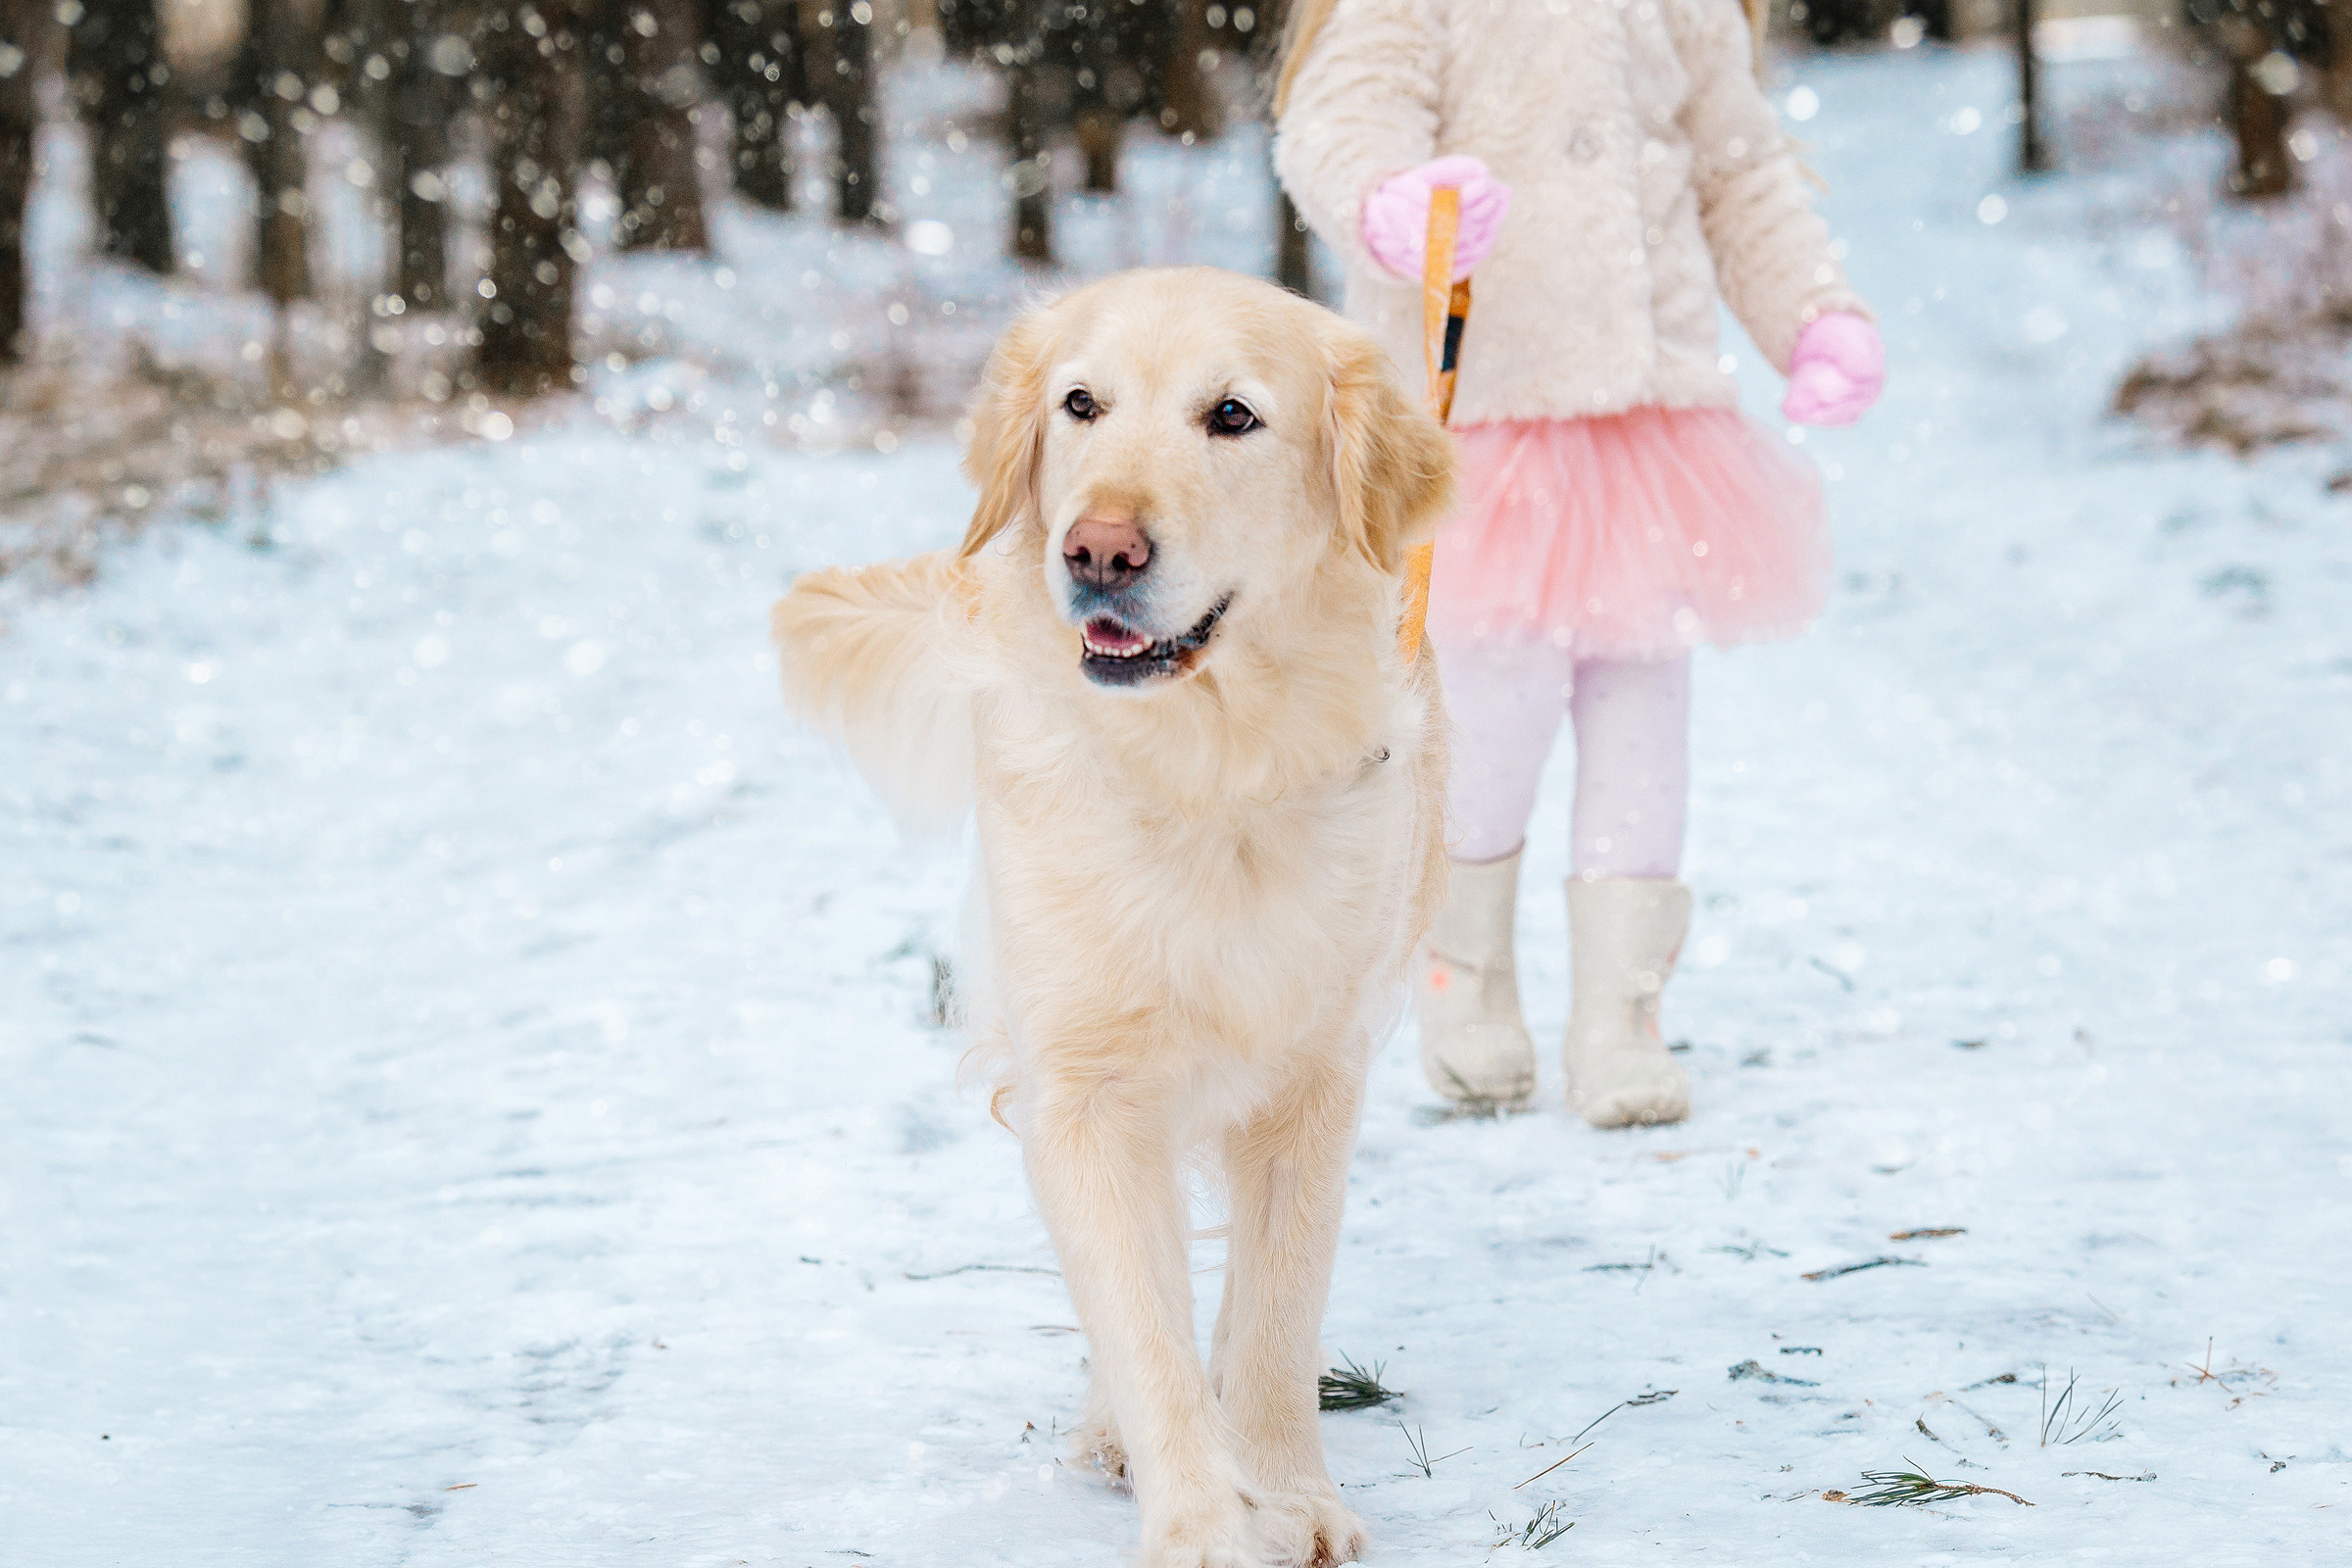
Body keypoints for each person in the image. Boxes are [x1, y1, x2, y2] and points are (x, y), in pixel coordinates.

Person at [1274, 0, 1884, 1125]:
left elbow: (1739, 172)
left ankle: (1623, 1010)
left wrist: (1812, 314)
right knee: (1491, 714)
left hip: (1653, 423)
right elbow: (1339, 112)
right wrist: (1386, 200)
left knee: (1646, 717)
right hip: (1491, 418)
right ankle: (1463, 972)